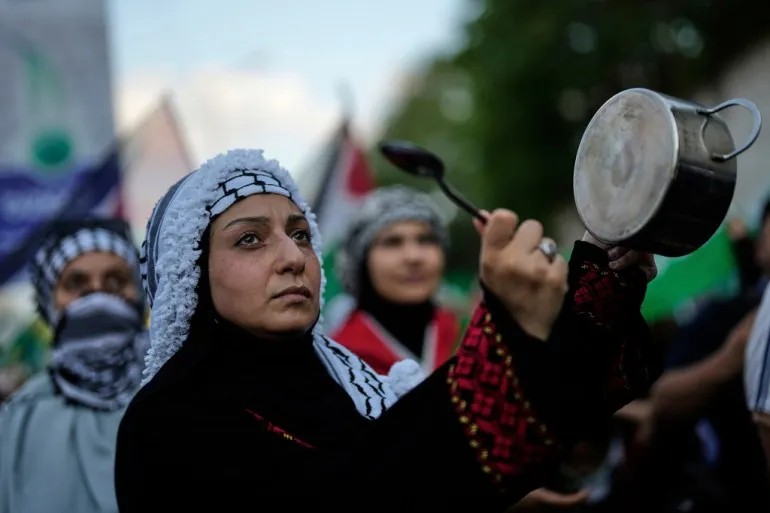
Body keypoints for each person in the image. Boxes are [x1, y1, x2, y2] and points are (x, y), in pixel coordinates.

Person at [115, 148, 657, 511]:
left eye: (300, 234)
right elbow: (364, 491)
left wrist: (597, 283)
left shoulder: (350, 381)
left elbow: (414, 463)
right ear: (190, 274)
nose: (294, 257)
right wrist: (510, 324)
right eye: (249, 239)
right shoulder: (167, 421)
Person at [0, 218, 148, 513]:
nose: (97, 295)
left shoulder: (178, 398)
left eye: (116, 281)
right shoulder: (18, 421)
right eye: (76, 284)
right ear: (49, 302)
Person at [331, 185, 459, 375]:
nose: (414, 256)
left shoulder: (465, 335)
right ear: (361, 263)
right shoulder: (340, 362)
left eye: (426, 240)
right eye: (392, 242)